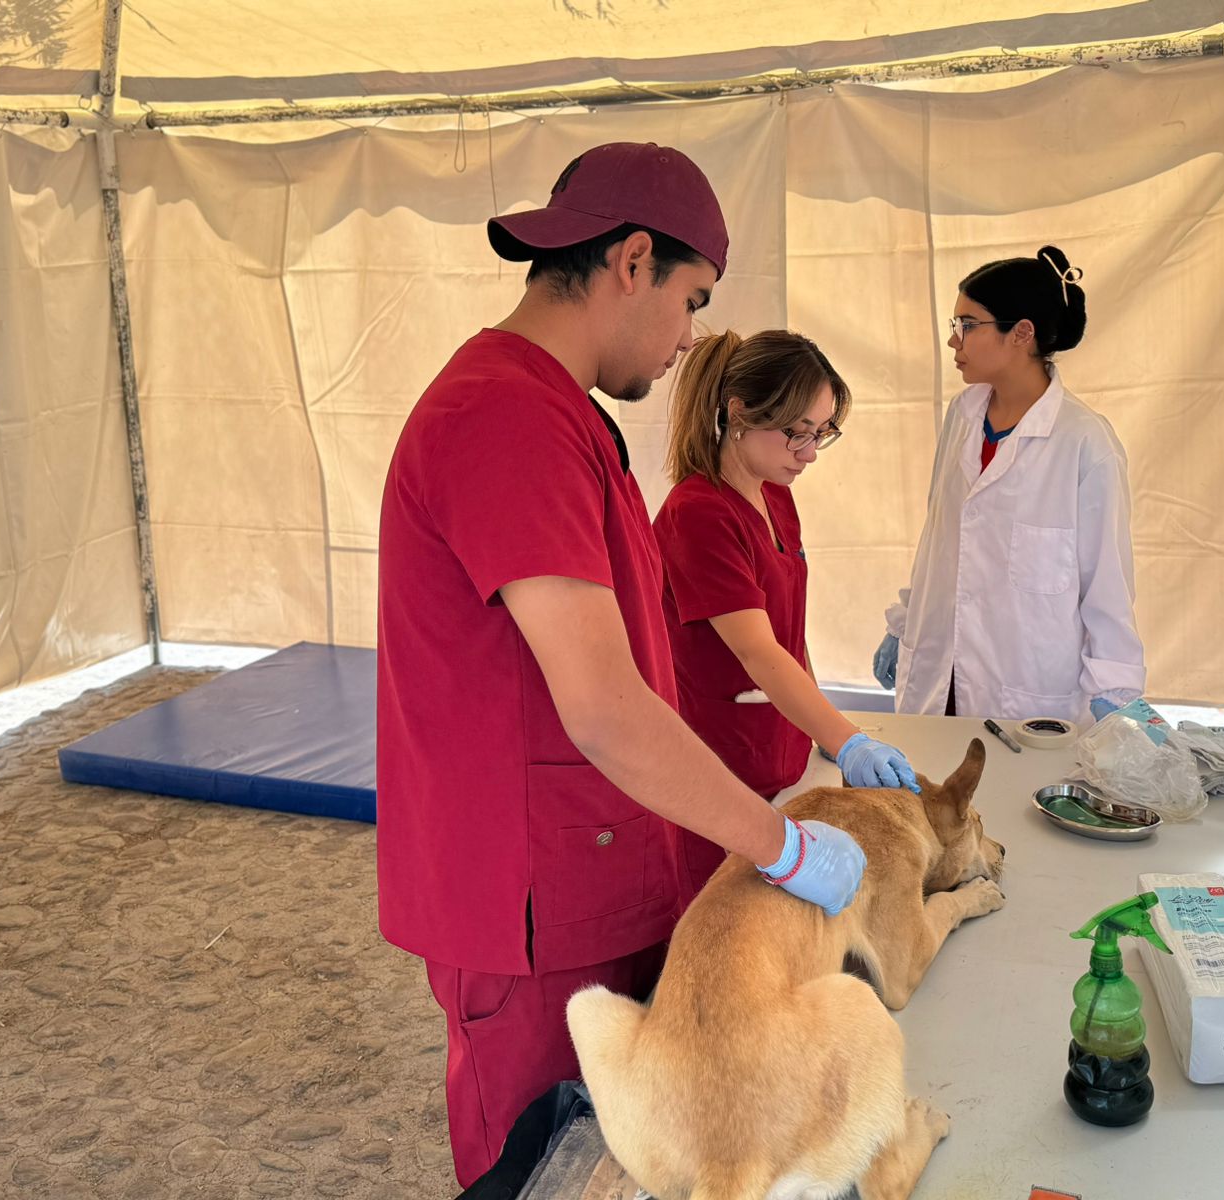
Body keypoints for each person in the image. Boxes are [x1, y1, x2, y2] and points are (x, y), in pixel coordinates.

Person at [376, 142, 866, 1189]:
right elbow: (603, 705)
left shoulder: (561, 413)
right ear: (631, 260)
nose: (693, 337)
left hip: (592, 870)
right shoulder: (505, 413)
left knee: (632, 1158)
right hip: (535, 901)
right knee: (547, 1170)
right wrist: (778, 845)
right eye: (691, 299)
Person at [654, 329, 919, 891]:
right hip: (721, 764)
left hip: (781, 751)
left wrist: (823, 728)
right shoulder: (699, 512)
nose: (809, 453)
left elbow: (788, 632)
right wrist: (848, 739)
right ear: (740, 412)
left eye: (822, 433)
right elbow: (757, 650)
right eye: (797, 433)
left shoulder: (775, 493)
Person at [872, 246, 1145, 725]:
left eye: (967, 325)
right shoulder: (962, 416)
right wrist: (905, 619)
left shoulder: (1085, 443)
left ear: (1021, 333)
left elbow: (1108, 585)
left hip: (1026, 692)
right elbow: (939, 540)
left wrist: (1114, 694)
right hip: (944, 673)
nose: (954, 341)